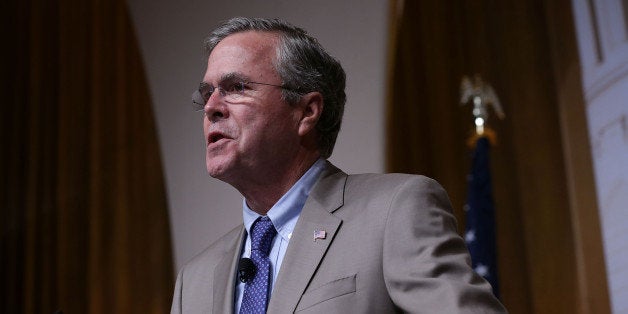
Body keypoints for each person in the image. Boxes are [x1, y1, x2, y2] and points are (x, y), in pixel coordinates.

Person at [170, 17, 507, 314]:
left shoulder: (394, 211)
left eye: (236, 87)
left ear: (307, 112)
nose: (211, 106)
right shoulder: (195, 279)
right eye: (207, 93)